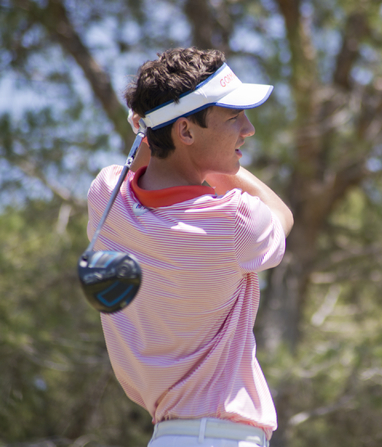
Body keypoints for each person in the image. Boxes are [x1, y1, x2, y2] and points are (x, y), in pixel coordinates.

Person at [86, 47, 294, 447]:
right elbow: (281, 216)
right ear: (185, 132)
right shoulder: (236, 222)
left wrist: (173, 140)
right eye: (234, 118)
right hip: (225, 439)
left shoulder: (105, 197)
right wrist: (221, 165)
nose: (248, 130)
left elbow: (148, 163)